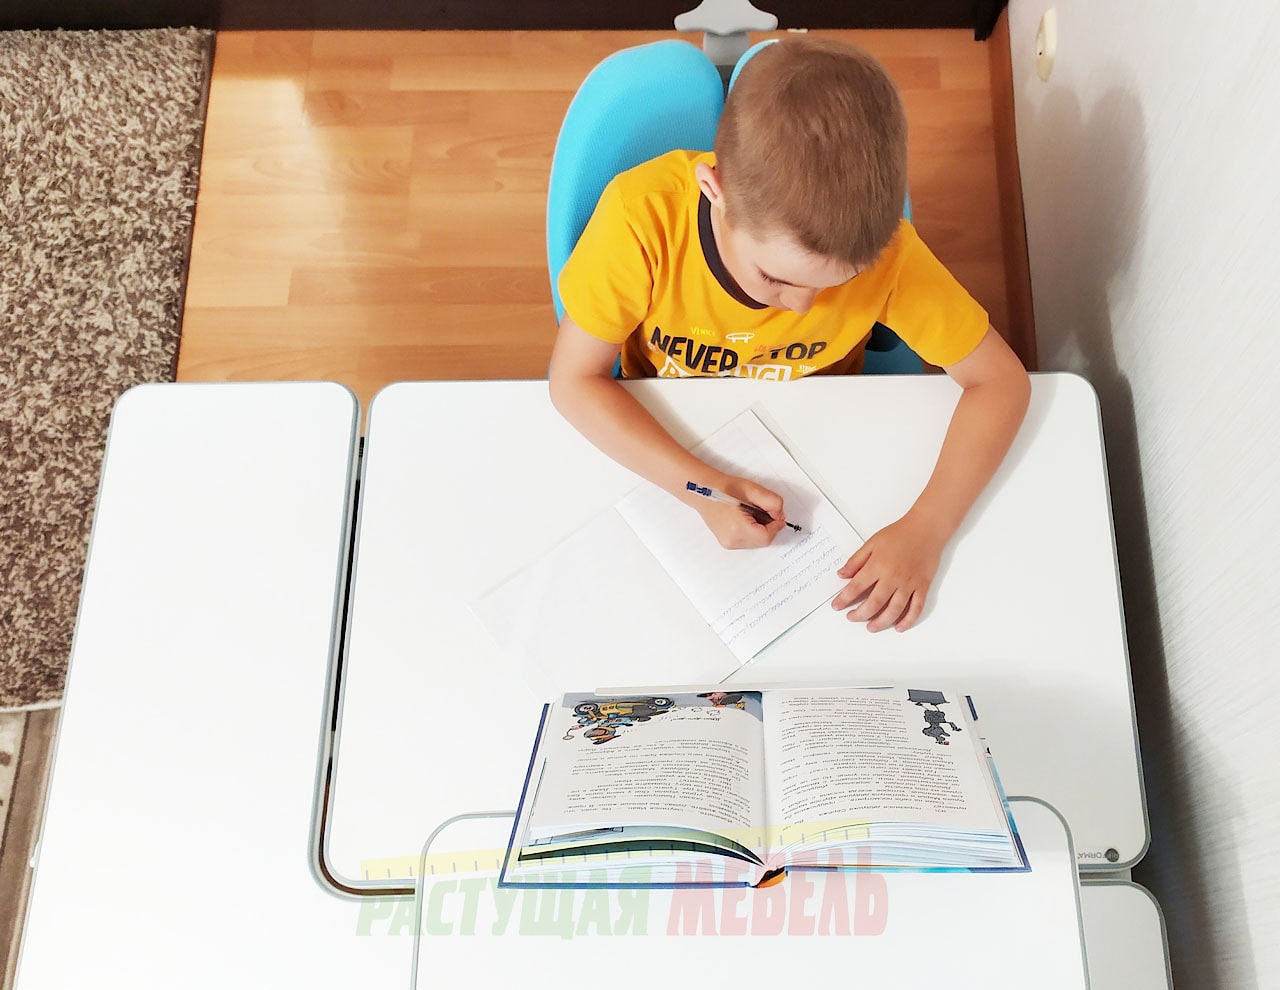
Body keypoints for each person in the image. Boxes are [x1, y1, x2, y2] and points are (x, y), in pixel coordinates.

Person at [548, 36, 1030, 633]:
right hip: (662, 422)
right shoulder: (641, 221)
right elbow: (573, 381)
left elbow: (1001, 382)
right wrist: (700, 489)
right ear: (714, 191)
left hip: (819, 434)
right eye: (775, 279)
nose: (801, 306)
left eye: (839, 283)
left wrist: (928, 527)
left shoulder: (891, 254)